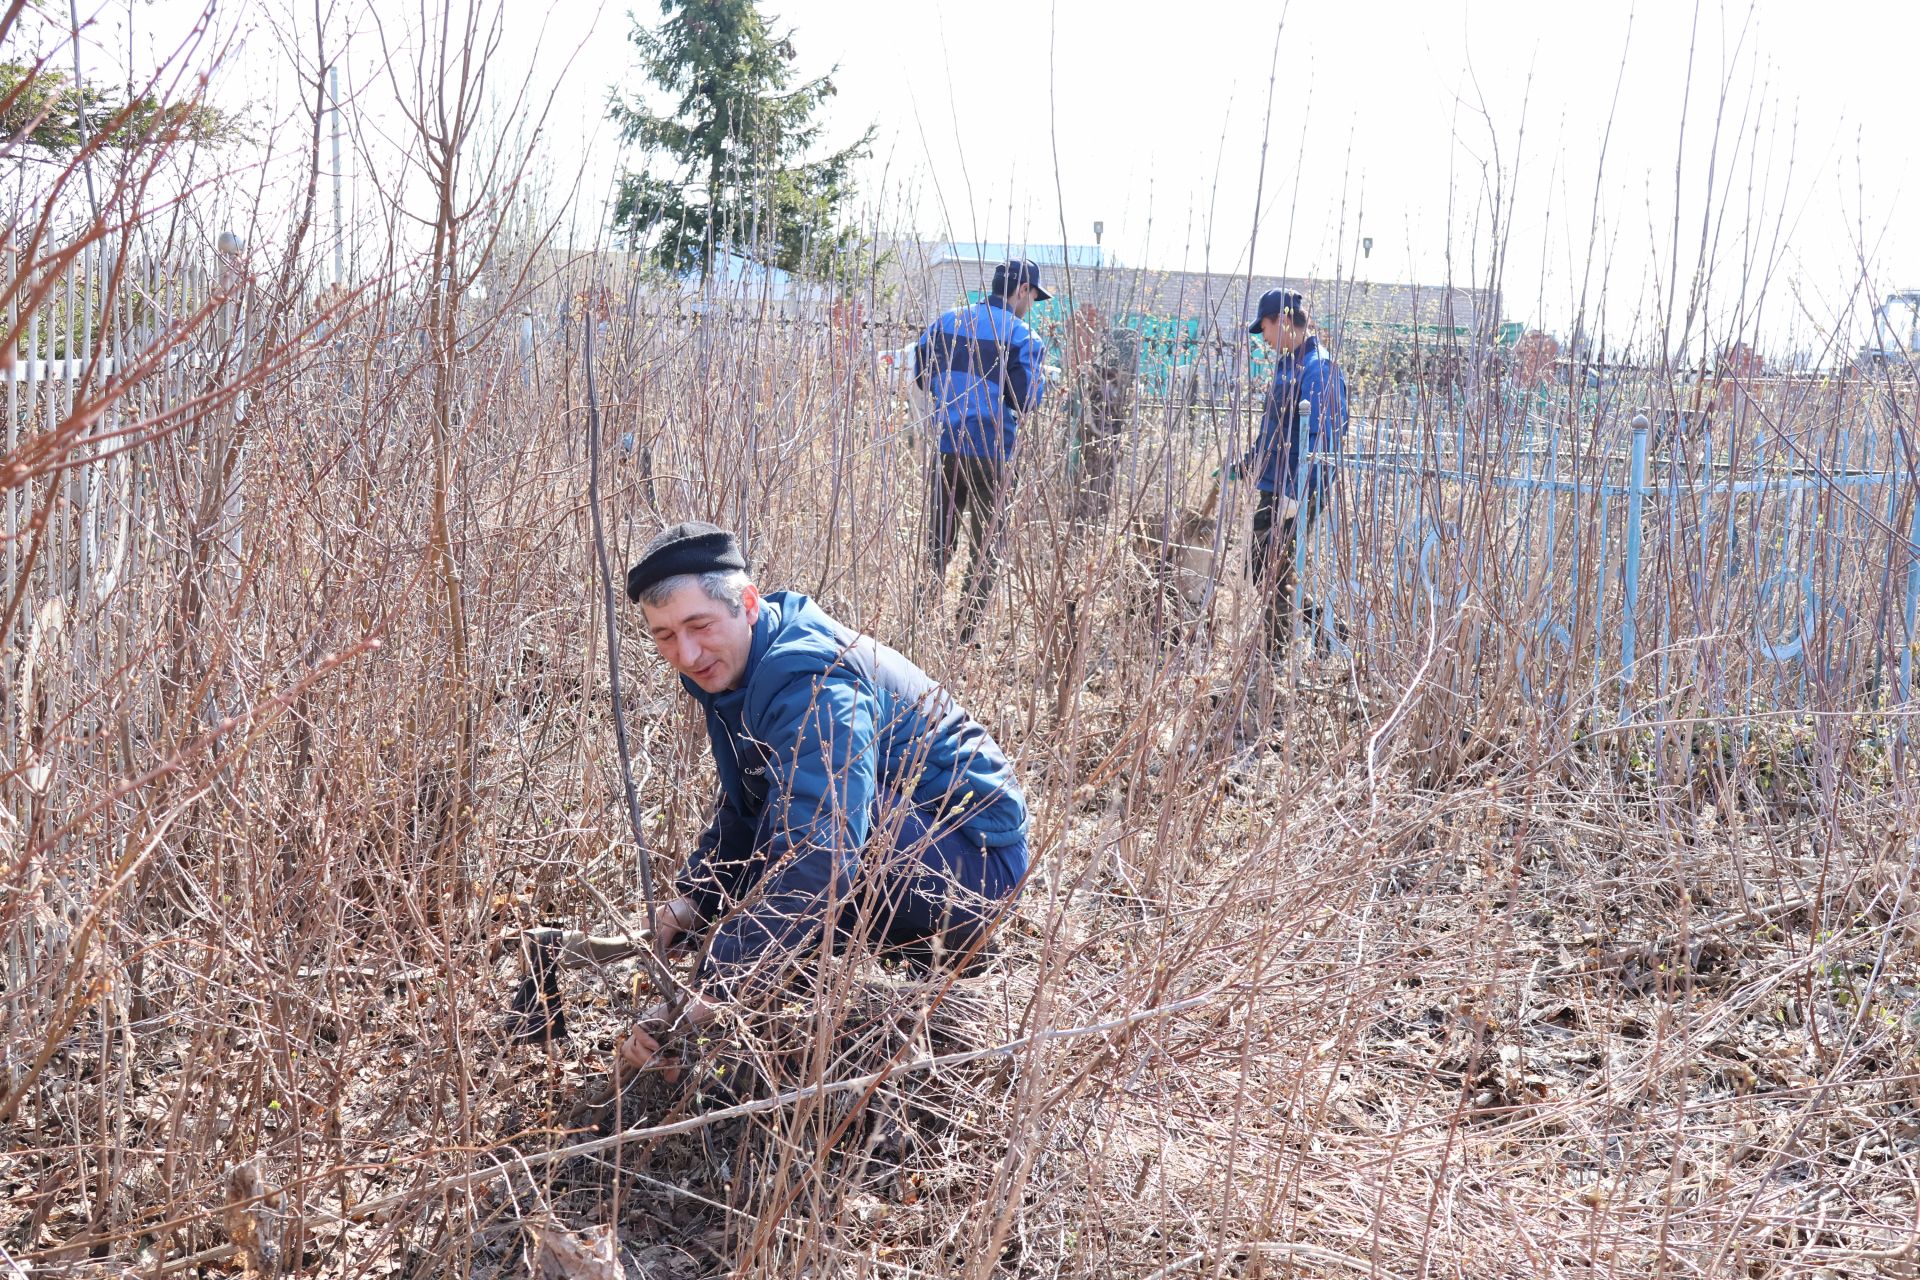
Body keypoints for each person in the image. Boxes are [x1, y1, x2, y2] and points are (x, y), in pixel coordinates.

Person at [616, 521, 1031, 1073]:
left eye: (699, 625)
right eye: (665, 636)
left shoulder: (815, 681)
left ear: (747, 604)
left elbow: (823, 856)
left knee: (808, 842)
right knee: (786, 826)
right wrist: (693, 902)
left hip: (976, 868)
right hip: (918, 839)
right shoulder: (738, 666)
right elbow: (749, 800)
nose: (687, 654)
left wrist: (710, 990)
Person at [913, 258, 1051, 634]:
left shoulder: (945, 323)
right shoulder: (1023, 337)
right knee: (986, 548)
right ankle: (965, 633)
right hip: (994, 453)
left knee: (939, 540)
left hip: (947, 445)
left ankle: (920, 622)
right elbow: (1027, 402)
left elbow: (923, 376)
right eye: (1034, 297)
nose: (1031, 307)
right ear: (1023, 289)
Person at [1227, 289, 1350, 657]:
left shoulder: (1319, 367)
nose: (1263, 338)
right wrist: (1245, 466)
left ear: (1281, 320)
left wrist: (1297, 496)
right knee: (1263, 568)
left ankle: (1275, 656)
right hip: (1274, 488)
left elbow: (1322, 441)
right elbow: (1274, 434)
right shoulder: (1288, 365)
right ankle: (1327, 632)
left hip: (1295, 492)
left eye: (1264, 328)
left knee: (1276, 570)